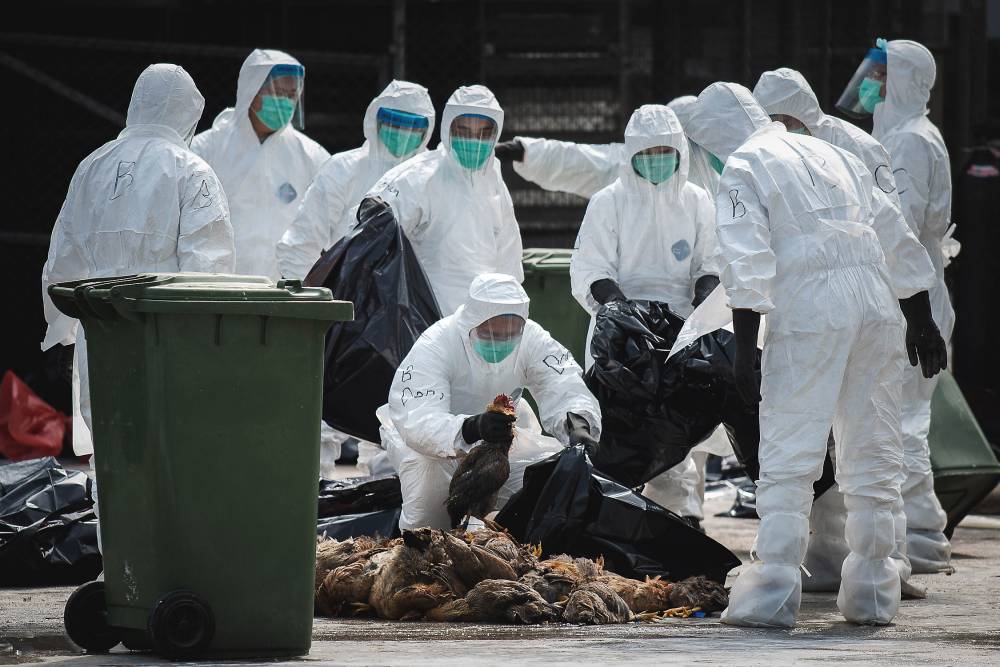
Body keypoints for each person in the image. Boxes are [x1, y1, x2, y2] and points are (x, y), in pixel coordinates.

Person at [684, 82, 944, 627]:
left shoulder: (745, 164)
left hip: (809, 307)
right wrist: (920, 317)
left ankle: (772, 592)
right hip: (876, 303)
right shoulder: (832, 152)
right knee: (872, 444)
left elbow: (746, 259)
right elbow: (892, 229)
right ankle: (873, 591)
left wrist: (745, 350)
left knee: (791, 444)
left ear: (715, 138)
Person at [752, 65, 940, 592]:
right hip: (832, 306)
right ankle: (831, 559)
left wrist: (916, 313)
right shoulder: (774, 152)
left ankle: (889, 564)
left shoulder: (854, 149)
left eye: (782, 121)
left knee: (873, 438)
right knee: (826, 443)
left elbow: (893, 228)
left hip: (867, 303)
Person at [39, 64, 235, 546]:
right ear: (188, 112)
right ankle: (171, 562)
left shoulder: (92, 166)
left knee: (113, 449)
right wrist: (210, 340)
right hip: (169, 338)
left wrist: (63, 326)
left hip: (101, 336)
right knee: (174, 450)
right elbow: (208, 268)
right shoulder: (191, 170)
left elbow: (62, 256)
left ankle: (120, 565)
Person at [568, 104, 720, 528]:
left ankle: (681, 519)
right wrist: (622, 315)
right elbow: (591, 269)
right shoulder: (609, 202)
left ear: (679, 153)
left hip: (678, 332)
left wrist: (701, 305)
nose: (656, 161)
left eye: (664, 152)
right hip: (620, 336)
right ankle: (613, 517)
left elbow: (711, 264)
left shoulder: (697, 200)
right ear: (631, 155)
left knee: (671, 430)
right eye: (646, 154)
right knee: (617, 428)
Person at [379, 273, 602, 530]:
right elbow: (418, 417)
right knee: (430, 511)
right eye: (491, 333)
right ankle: (419, 551)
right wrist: (471, 427)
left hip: (499, 441)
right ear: (471, 322)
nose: (501, 342)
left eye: (511, 333)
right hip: (427, 445)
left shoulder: (532, 338)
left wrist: (577, 422)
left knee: (544, 486)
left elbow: (561, 382)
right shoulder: (437, 344)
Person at [849, 39, 956, 576]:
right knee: (899, 415)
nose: (870, 84)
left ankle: (921, 538)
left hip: (913, 293)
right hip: (904, 289)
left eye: (881, 75)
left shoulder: (912, 140)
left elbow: (903, 229)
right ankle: (920, 533)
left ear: (905, 81)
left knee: (905, 419)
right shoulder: (897, 135)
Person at [362, 85, 523, 315]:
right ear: (449, 130)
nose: (474, 140)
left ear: (495, 135)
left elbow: (509, 258)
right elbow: (370, 241)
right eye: (464, 131)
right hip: (424, 321)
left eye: (484, 133)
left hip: (483, 322)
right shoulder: (419, 177)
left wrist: (509, 311)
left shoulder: (493, 182)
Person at [276, 80, 435, 279]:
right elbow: (304, 238)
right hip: (344, 289)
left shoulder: (432, 178)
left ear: (426, 131)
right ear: (376, 120)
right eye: (394, 123)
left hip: (412, 293)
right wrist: (305, 289)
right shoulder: (344, 169)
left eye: (412, 126)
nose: (403, 132)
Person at [192, 49, 329, 280]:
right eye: (277, 93)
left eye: (291, 95)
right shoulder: (206, 149)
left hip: (285, 289)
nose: (285, 102)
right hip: (219, 285)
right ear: (251, 90)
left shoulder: (312, 156)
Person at [494, 95, 718, 198]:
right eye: (656, 147)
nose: (659, 156)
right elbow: (579, 161)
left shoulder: (722, 173)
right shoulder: (630, 169)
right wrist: (524, 150)